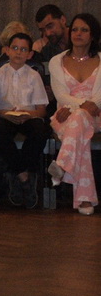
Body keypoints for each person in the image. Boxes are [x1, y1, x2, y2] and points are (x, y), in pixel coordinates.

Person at [0, 33, 49, 209]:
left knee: (40, 130)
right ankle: (24, 175)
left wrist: (29, 114)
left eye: (23, 49)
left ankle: (17, 173)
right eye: (14, 48)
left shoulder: (34, 76)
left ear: (30, 54)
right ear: (7, 50)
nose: (18, 53)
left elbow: (42, 110)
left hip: (29, 116)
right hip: (5, 116)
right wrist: (3, 113)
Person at [48, 13, 101, 215]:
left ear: (93, 35)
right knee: (81, 129)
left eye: (84, 30)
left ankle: (62, 165)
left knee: (80, 121)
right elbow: (60, 95)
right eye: (75, 29)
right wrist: (81, 107)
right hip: (64, 115)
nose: (78, 33)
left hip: (96, 115)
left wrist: (87, 107)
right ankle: (84, 199)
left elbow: (99, 97)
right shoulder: (57, 61)